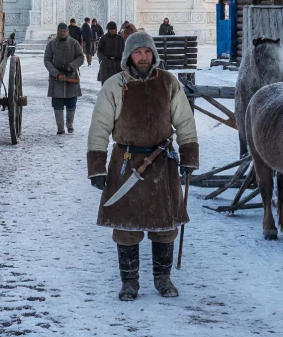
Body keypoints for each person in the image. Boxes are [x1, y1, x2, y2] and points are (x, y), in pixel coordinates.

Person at [86, 32, 199, 301]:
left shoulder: (168, 82)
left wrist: (189, 157)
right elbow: (100, 127)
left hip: (162, 164)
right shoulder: (115, 85)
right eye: (138, 52)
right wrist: (97, 166)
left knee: (165, 227)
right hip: (126, 165)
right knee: (127, 228)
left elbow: (184, 121)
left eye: (148, 52)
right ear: (129, 56)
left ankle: (163, 279)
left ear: (153, 54)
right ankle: (130, 282)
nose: (144, 57)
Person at [44, 23, 85, 135]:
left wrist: (71, 66)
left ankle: (70, 125)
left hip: (71, 77)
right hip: (56, 79)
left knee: (71, 103)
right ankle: (60, 127)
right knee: (58, 104)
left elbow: (81, 57)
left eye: (64, 31)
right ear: (58, 31)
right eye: (60, 31)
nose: (62, 33)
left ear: (67, 32)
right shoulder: (51, 44)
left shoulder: (74, 43)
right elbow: (47, 60)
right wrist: (56, 73)